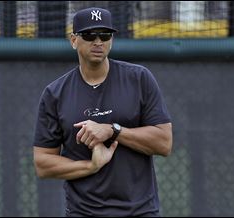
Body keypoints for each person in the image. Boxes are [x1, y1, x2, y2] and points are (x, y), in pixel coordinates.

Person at [33, 7, 172, 217]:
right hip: (83, 212)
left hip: (140, 211)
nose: (98, 41)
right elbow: (43, 163)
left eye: (105, 35)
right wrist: (91, 166)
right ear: (73, 40)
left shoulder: (139, 79)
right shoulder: (55, 93)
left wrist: (113, 130)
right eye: (89, 35)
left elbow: (164, 143)